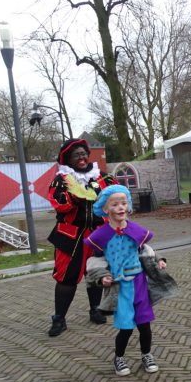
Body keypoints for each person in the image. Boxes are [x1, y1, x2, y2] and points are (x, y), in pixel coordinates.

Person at [85, 185, 163, 376]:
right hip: (120, 287)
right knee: (126, 327)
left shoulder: (136, 229)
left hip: (139, 284)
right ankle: (118, 358)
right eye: (115, 204)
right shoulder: (100, 235)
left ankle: (147, 354)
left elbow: (145, 248)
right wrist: (102, 276)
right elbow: (95, 259)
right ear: (105, 209)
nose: (121, 208)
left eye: (124, 203)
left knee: (144, 325)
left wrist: (159, 260)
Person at [46, 138, 116, 337]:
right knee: (66, 279)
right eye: (76, 155)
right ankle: (59, 318)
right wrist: (77, 195)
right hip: (71, 236)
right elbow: (59, 204)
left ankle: (96, 309)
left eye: (83, 153)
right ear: (68, 159)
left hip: (98, 234)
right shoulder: (61, 179)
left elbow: (116, 197)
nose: (82, 157)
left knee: (95, 273)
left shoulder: (103, 177)